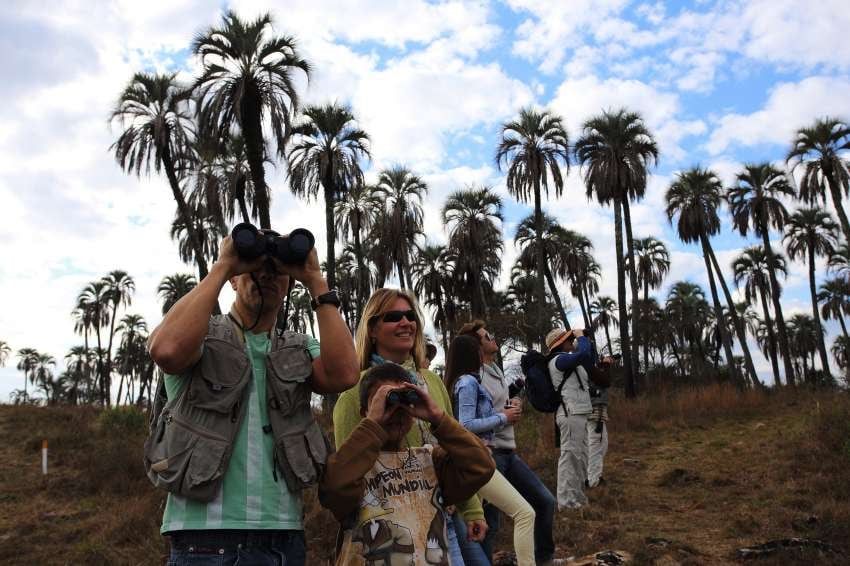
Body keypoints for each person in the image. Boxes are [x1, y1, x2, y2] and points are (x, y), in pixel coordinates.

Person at [145, 229, 359, 566]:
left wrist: (316, 279)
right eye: (255, 270)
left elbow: (346, 374)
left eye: (276, 273)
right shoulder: (200, 336)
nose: (267, 277)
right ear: (233, 280)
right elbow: (167, 350)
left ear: (288, 284)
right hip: (205, 537)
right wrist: (223, 266)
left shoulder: (299, 347)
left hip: (284, 537)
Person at [332, 288, 489, 566]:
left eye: (410, 315)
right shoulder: (353, 391)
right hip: (384, 532)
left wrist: (472, 508)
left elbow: (454, 448)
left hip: (441, 517)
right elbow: (346, 470)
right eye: (394, 317)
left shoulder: (432, 381)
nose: (406, 323)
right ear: (372, 330)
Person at [320, 363, 495, 565]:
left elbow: (482, 466)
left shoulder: (430, 462)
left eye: (405, 401)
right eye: (386, 402)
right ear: (363, 412)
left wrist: (438, 417)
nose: (396, 411)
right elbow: (333, 488)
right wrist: (372, 424)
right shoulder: (356, 470)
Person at [458, 321, 560, 566]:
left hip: (509, 451)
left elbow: (494, 405)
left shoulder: (494, 370)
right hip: (490, 455)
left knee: (545, 501)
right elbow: (467, 422)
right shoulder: (474, 377)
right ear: (476, 345)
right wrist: (504, 417)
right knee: (490, 523)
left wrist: (514, 404)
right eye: (487, 336)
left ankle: (542, 557)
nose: (493, 337)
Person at [444, 335, 537, 566]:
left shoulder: (464, 381)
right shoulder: (467, 382)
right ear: (471, 354)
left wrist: (500, 415)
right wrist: (501, 417)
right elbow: (465, 425)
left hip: (476, 458)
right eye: (477, 350)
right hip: (474, 460)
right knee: (525, 513)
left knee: (475, 526)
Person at [545, 327, 594, 510]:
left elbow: (587, 358)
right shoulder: (559, 360)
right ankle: (566, 502)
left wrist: (585, 340)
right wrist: (581, 338)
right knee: (570, 457)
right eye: (568, 339)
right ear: (560, 343)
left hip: (577, 412)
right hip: (570, 412)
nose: (571, 340)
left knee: (580, 458)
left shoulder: (568, 360)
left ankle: (577, 499)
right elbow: (581, 356)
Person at [586, 378, 610, 488]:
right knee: (596, 447)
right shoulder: (591, 370)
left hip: (597, 410)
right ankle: (593, 481)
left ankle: (593, 476)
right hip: (595, 411)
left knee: (602, 445)